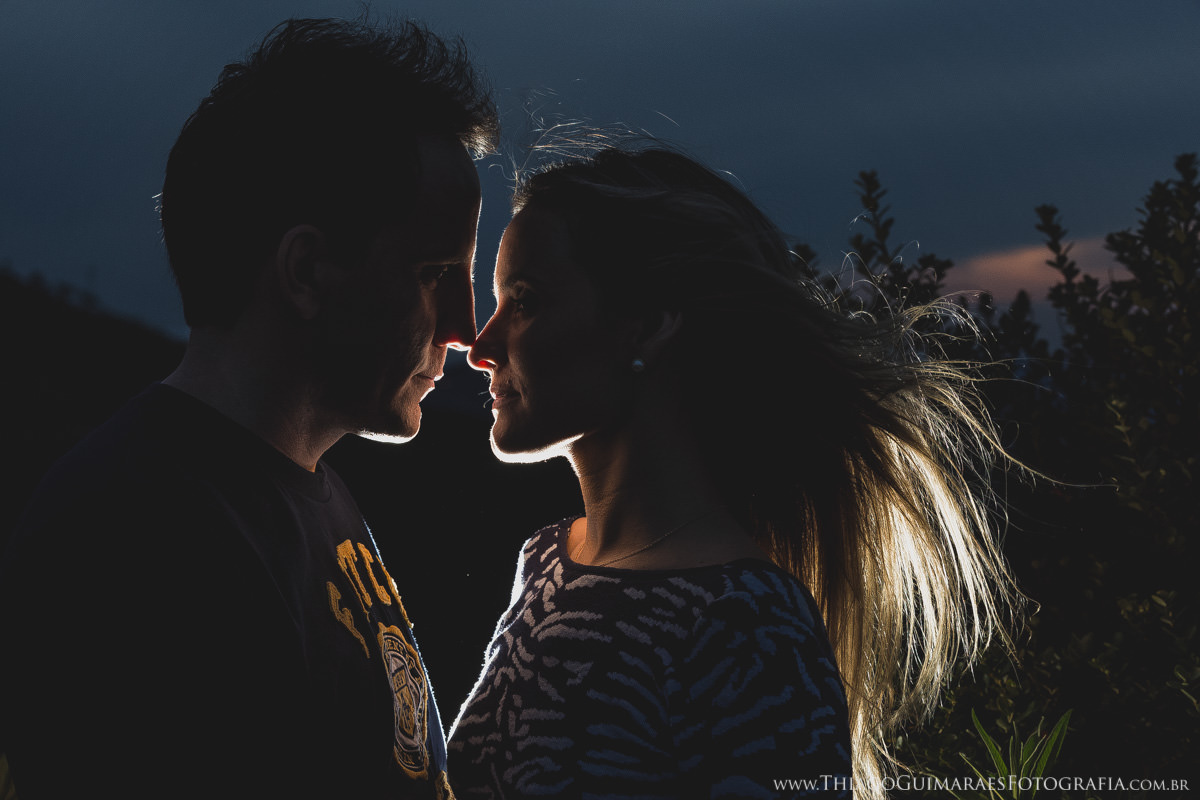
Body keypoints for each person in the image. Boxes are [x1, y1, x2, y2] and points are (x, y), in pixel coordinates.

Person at [0, 17, 496, 800]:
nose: (466, 329)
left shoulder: (304, 492)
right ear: (308, 272)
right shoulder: (135, 532)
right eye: (436, 273)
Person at [446, 147, 1020, 798]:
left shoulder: (750, 626)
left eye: (524, 302)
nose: (481, 346)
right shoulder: (547, 564)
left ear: (646, 326)